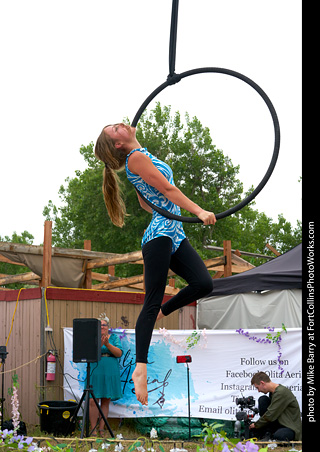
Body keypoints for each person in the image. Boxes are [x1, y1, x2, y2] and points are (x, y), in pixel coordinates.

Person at [95, 123, 216, 405]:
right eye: (115, 128)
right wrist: (198, 211)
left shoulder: (138, 158)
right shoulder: (135, 159)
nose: (121, 123)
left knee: (203, 283)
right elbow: (167, 188)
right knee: (150, 301)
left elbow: (145, 202)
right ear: (117, 144)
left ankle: (163, 312)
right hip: (160, 234)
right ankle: (140, 368)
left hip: (173, 232)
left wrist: (165, 206)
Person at [89, 314, 123, 437]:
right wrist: (99, 342)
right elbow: (89, 352)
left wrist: (107, 344)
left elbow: (119, 353)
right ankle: (93, 429)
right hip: (95, 370)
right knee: (93, 400)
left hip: (110, 371)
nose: (102, 326)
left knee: (105, 399)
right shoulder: (92, 337)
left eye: (104, 324)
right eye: (100, 325)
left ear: (108, 327)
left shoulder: (114, 338)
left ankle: (102, 429)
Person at [249, 371, 302, 441]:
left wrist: (256, 424)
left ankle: (270, 435)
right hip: (278, 423)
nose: (258, 391)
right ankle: (267, 433)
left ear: (262, 383)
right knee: (263, 400)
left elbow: (270, 415)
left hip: (289, 427)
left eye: (257, 387)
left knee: (280, 435)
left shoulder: (281, 392)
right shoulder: (273, 393)